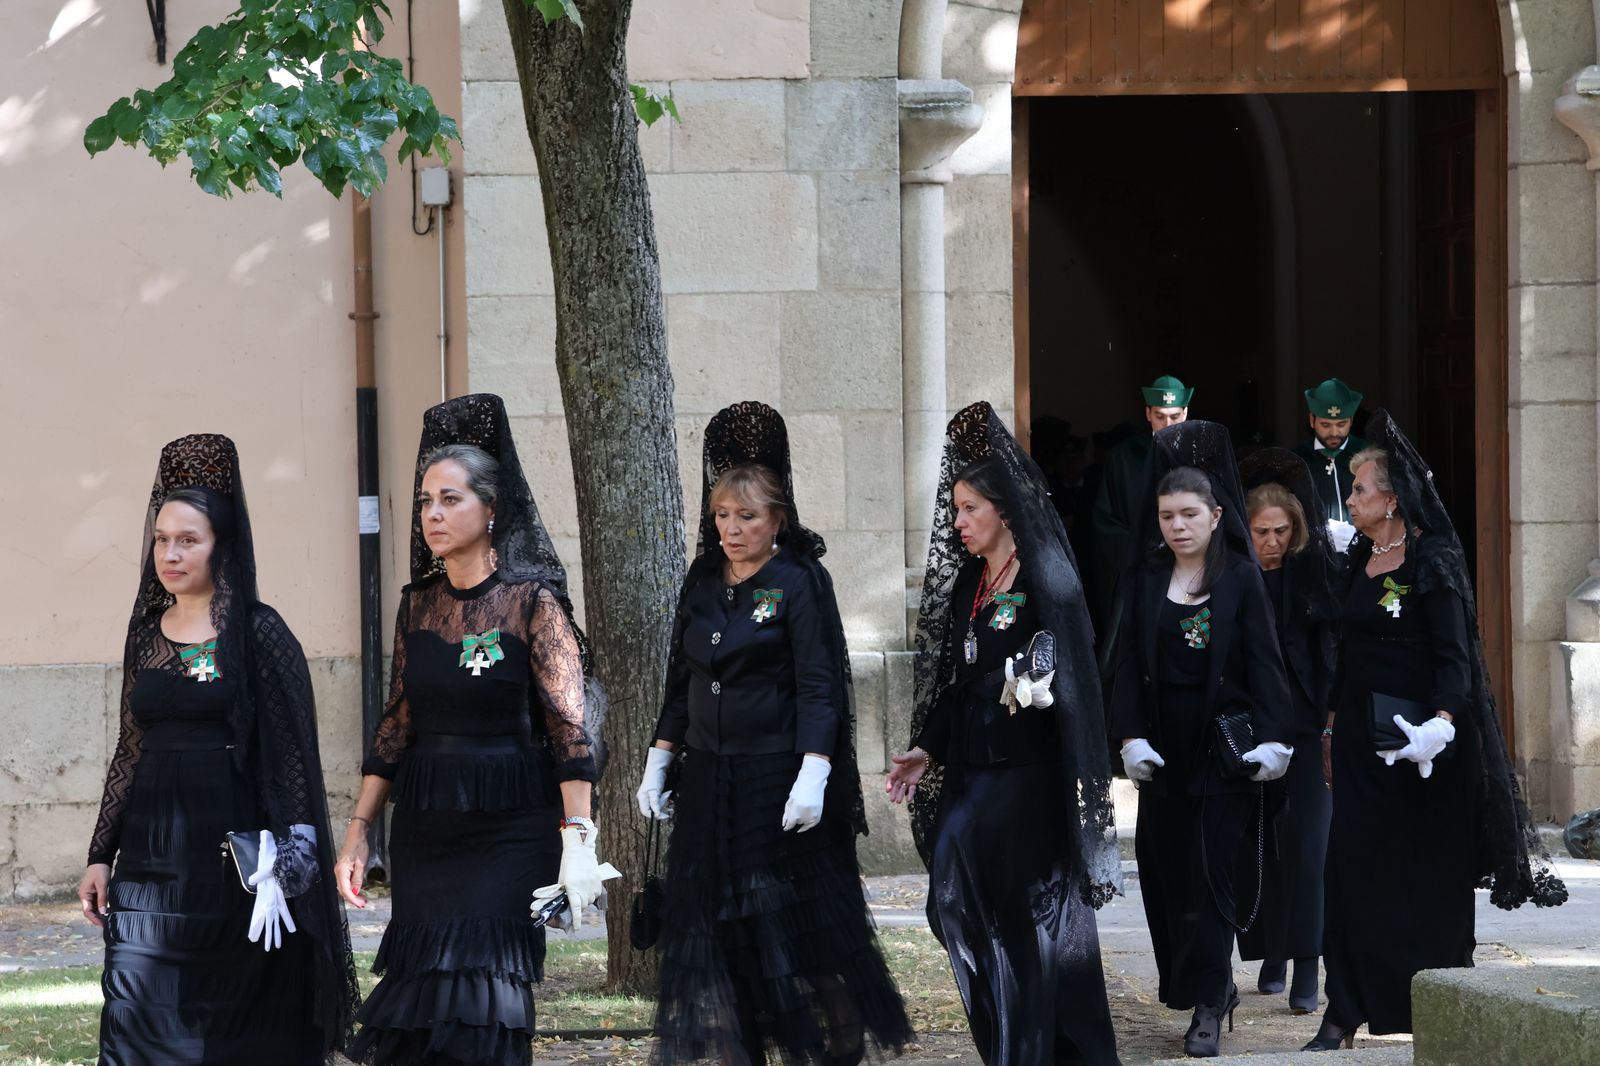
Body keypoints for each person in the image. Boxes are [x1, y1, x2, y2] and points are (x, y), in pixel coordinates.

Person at [336, 394, 609, 1066]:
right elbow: (397, 721)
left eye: (450, 499)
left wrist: (578, 843)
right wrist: (358, 832)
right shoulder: (416, 607)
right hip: (429, 830)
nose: (433, 513)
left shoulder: (533, 603)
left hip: (512, 829)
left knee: (484, 1003)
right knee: (420, 1006)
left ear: (491, 510)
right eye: (426, 500)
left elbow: (570, 730)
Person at [640, 400, 912, 1066]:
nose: (733, 530)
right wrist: (658, 759)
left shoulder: (798, 582)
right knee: (726, 945)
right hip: (710, 785)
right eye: (722, 518)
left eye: (748, 517)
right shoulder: (702, 582)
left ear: (778, 519)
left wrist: (815, 770)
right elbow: (682, 680)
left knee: (801, 940)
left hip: (777, 785)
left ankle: (834, 1055)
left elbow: (820, 684)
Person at [81, 433, 356, 1065]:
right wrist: (101, 854)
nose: (170, 554)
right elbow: (131, 747)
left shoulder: (260, 633)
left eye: (188, 540)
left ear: (220, 546)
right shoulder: (146, 636)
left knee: (235, 1026)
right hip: (148, 863)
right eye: (161, 540)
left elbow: (293, 759)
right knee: (135, 1012)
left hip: (235, 867)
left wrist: (289, 864)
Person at [1305, 410, 1568, 1050]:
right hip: (1367, 748)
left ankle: (1439, 1003)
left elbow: (1457, 657)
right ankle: (1344, 1008)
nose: (1353, 497)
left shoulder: (1435, 558)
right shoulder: (1359, 557)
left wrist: (1442, 725)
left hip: (1428, 750)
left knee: (1427, 881)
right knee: (1347, 869)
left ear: (1391, 499)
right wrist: (1331, 727)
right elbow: (1344, 648)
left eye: (1362, 488)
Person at [885, 401, 1123, 1065]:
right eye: (955, 509)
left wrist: (1046, 691)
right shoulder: (971, 582)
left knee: (1025, 925)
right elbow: (956, 684)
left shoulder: (1048, 578)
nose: (957, 523)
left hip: (1030, 780)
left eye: (969, 509)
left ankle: (1028, 1052)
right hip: (972, 774)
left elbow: (1075, 676)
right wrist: (925, 749)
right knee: (952, 905)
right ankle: (1012, 1043)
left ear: (1005, 511)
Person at [1108, 421, 1295, 1059]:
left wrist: (1273, 742)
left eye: (1189, 513)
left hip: (1225, 750)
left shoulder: (1241, 578)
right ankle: (1195, 986)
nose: (1177, 525)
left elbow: (1267, 666)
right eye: (1166, 515)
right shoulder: (1142, 581)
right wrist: (1130, 737)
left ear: (1216, 515)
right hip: (1165, 752)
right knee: (1170, 875)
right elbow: (1127, 666)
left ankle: (1212, 1005)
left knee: (1214, 874)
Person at [1235, 449, 1338, 1015]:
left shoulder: (1312, 575)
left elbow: (1331, 652)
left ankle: (1306, 964)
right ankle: (1271, 951)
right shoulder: (1233, 578)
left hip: (1304, 726)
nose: (1271, 542)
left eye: (1281, 531)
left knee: (1307, 849)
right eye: (1260, 532)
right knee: (1257, 849)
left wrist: (1329, 724)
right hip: (1249, 728)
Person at [1091, 376, 1194, 698]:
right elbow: (1104, 521)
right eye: (1160, 416)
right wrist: (1143, 550)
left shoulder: (1198, 454)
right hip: (1138, 570)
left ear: (1186, 413)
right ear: (1148, 414)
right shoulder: (1124, 457)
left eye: (1174, 417)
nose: (1167, 424)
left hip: (1191, 571)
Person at [1290, 378, 1368, 553]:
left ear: (1351, 420)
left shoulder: (1366, 455)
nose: (1334, 433)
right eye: (1326, 425)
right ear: (1312, 420)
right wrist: (1318, 533)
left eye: (1341, 424)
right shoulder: (1298, 459)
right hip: (1315, 554)